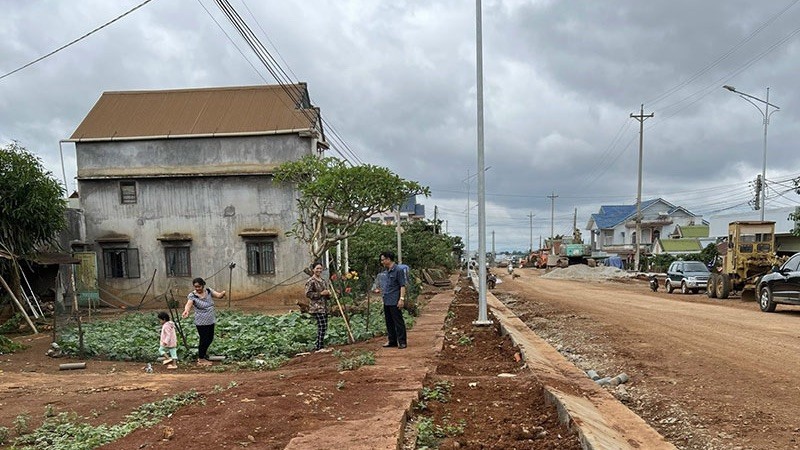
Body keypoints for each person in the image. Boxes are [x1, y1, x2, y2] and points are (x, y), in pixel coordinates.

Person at [182, 277, 225, 366]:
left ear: (203, 285)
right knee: (204, 339)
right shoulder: (192, 295)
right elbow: (188, 304)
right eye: (195, 287)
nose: (197, 289)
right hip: (201, 321)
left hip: (210, 319)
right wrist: (186, 311)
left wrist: (223, 293)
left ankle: (204, 355)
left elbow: (218, 295)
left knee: (210, 338)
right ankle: (201, 359)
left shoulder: (209, 291)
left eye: (199, 286)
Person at [379, 251, 407, 349]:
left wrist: (401, 299)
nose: (382, 262)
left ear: (388, 259)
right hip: (387, 299)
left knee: (398, 321)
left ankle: (402, 341)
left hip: (395, 300)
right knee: (389, 321)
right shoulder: (386, 271)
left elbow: (402, 285)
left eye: (383, 260)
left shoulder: (398, 270)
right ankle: (392, 340)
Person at [305, 262, 331, 352]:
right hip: (316, 307)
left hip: (324, 307)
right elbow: (308, 294)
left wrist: (328, 294)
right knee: (322, 325)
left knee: (324, 326)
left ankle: (320, 344)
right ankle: (319, 346)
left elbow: (326, 295)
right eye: (317, 268)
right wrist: (320, 294)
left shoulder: (323, 281)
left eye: (320, 268)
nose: (319, 270)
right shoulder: (311, 281)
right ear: (313, 270)